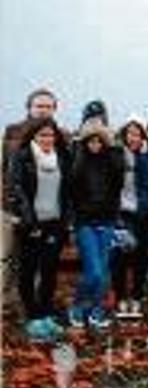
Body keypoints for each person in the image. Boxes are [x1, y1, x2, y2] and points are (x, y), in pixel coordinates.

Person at [6, 118, 71, 340]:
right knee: (28, 271)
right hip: (30, 224)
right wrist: (27, 219)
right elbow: (15, 189)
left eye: (51, 135)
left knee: (49, 271)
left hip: (54, 223)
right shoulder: (22, 156)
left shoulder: (62, 157)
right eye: (42, 135)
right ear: (34, 136)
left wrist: (66, 220)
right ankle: (33, 316)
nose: (47, 139)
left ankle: (45, 313)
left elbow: (67, 192)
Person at [69, 119, 124, 329]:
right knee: (95, 271)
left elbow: (118, 188)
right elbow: (71, 193)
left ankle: (96, 309)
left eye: (99, 140)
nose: (95, 145)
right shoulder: (78, 160)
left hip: (107, 220)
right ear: (85, 141)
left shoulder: (112, 161)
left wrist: (115, 149)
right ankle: (78, 305)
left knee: (103, 268)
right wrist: (73, 221)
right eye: (91, 140)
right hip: (85, 222)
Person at [111, 118, 148, 318]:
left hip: (144, 212)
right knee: (121, 256)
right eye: (130, 134)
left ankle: (137, 297)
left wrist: (142, 156)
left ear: (143, 136)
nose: (134, 138)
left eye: (137, 134)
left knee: (141, 257)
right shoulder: (116, 155)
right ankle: (121, 297)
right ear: (124, 135)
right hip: (121, 212)